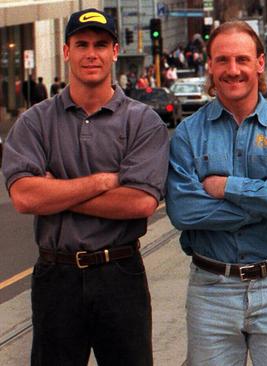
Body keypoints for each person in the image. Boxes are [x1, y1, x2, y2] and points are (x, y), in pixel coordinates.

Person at [1, 8, 169, 366]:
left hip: (120, 274)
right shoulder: (33, 123)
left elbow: (139, 203)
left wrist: (56, 194)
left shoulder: (143, 122)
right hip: (55, 277)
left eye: (100, 44)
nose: (91, 53)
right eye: (81, 44)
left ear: (114, 52)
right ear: (66, 52)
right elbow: (24, 196)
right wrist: (101, 182)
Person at [166, 21, 267, 366]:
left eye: (242, 59)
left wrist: (227, 187)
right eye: (222, 60)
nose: (232, 70)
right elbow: (183, 210)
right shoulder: (188, 134)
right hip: (211, 290)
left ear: (260, 63)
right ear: (210, 65)